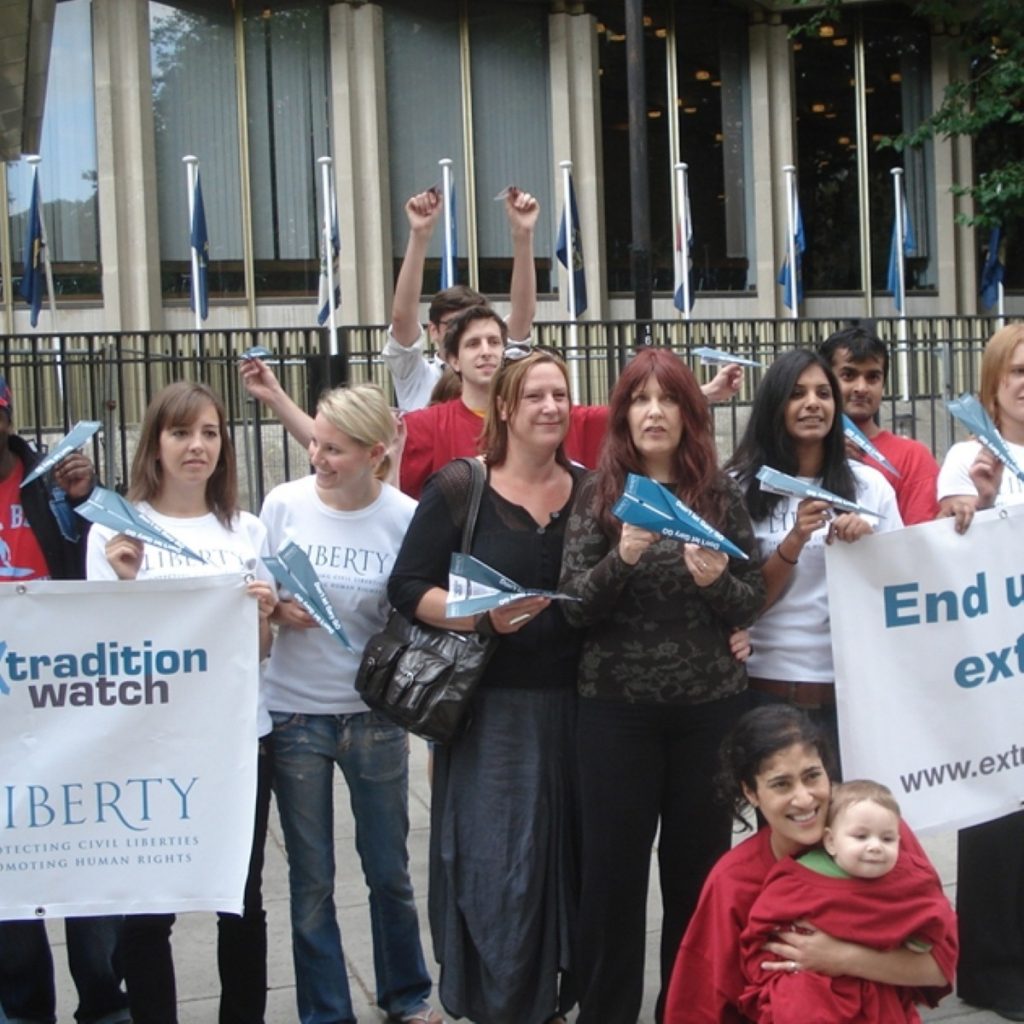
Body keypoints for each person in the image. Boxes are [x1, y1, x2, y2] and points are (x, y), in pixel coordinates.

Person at [557, 347, 765, 1024]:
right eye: (641, 400)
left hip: (708, 712)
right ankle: (607, 1011)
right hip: (616, 714)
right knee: (612, 878)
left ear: (689, 413)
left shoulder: (718, 494)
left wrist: (716, 583)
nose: (654, 413)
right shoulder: (600, 495)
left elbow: (751, 596)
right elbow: (573, 608)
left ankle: (690, 1008)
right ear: (623, 414)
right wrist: (623, 556)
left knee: (698, 874)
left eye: (668, 399)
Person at [388, 350, 585, 1023]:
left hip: (579, 711)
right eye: (535, 395)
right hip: (489, 715)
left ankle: (555, 1000)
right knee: (498, 869)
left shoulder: (591, 491)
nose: (551, 407)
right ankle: (502, 1005)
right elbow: (407, 586)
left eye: (560, 394)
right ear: (504, 406)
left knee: (568, 867)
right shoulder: (460, 487)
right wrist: (478, 615)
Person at [86, 381, 277, 1024]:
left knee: (241, 902)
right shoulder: (116, 532)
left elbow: (259, 652)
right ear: (155, 443)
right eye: (181, 433)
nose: (197, 446)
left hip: (237, 741)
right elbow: (100, 653)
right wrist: (126, 584)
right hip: (150, 747)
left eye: (210, 433)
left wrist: (261, 617)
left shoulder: (245, 530)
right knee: (146, 907)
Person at [259, 383, 441, 1024]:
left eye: (334, 449)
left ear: (373, 453)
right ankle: (326, 1011)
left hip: (374, 714)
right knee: (311, 880)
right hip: (295, 712)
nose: (317, 457)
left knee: (388, 868)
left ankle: (406, 995)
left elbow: (417, 611)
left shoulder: (404, 516)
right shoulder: (282, 505)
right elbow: (257, 595)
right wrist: (278, 609)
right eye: (314, 443)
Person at [664, 705, 957, 1024]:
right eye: (781, 784)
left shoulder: (880, 838)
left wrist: (841, 957)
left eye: (812, 776)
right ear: (751, 792)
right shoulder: (733, 880)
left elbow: (939, 968)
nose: (803, 799)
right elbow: (700, 1006)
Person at [0, 374, 129, 1024]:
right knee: (9, 869)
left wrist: (88, 497)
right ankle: (23, 1007)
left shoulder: (46, 482)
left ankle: (104, 1001)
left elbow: (108, 559)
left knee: (86, 860)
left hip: (63, 697)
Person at [725, 349, 902, 757]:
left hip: (849, 693)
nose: (812, 404)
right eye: (797, 393)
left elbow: (901, 591)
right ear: (774, 405)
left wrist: (870, 547)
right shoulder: (737, 487)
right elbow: (738, 604)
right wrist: (794, 540)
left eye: (824, 393)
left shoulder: (869, 488)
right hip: (763, 690)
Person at [936, 322, 1024, 1021]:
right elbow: (948, 547)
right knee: (995, 819)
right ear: (994, 381)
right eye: (1016, 371)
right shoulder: (969, 454)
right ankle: (991, 969)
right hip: (992, 671)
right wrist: (981, 503)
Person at [738, 779, 957, 1023]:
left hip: (876, 987)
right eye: (861, 836)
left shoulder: (908, 881)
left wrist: (849, 957)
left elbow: (932, 929)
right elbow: (761, 928)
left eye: (887, 839)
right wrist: (773, 970)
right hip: (809, 987)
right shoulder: (798, 878)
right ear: (831, 841)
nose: (875, 846)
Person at [385, 186, 539, 412]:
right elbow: (401, 318)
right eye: (455, 326)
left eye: (487, 338)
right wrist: (419, 235)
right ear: (434, 331)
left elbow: (523, 314)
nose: (482, 348)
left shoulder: (495, 367)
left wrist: (522, 234)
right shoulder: (417, 376)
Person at [818, 325, 939, 524]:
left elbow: (918, 541)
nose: (861, 388)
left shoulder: (913, 457)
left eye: (872, 377)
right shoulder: (803, 452)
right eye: (848, 375)